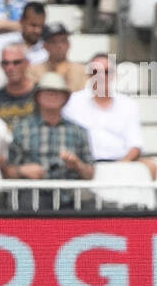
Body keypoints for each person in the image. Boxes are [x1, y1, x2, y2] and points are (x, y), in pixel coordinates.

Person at [5, 73, 95, 209]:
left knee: (89, 201)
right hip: (33, 190)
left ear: (65, 98)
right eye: (47, 92)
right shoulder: (22, 129)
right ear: (38, 97)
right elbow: (8, 170)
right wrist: (23, 170)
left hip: (70, 190)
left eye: (57, 92)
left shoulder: (78, 131)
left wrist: (77, 164)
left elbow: (90, 174)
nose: (52, 95)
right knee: (25, 203)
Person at [64, 54, 156, 179]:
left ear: (114, 75)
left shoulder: (128, 104)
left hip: (121, 163)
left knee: (151, 166)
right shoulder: (72, 102)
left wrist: (119, 168)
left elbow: (135, 145)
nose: (101, 77)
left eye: (106, 72)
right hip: (86, 165)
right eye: (96, 72)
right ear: (89, 75)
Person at [28, 22, 87, 92]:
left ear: (69, 44)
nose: (59, 46)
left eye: (63, 41)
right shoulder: (34, 70)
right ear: (45, 46)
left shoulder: (82, 70)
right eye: (53, 42)